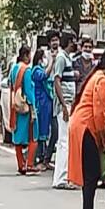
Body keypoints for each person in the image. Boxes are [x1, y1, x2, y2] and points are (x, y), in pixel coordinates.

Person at [67, 47, 105, 209]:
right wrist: (102, 139)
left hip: (83, 126)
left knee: (91, 174)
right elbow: (99, 114)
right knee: (91, 175)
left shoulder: (97, 77)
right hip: (86, 128)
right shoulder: (102, 80)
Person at [52, 32, 78, 189]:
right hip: (65, 104)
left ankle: (63, 176)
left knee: (65, 140)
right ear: (69, 42)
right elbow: (57, 80)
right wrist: (63, 104)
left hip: (69, 103)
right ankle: (61, 177)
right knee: (64, 141)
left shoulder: (68, 58)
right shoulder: (61, 58)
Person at [9, 46, 39, 175]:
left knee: (17, 136)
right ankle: (30, 164)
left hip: (15, 105)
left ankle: (21, 164)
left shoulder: (14, 68)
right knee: (33, 135)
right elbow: (29, 90)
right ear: (26, 55)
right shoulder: (26, 70)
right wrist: (32, 108)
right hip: (26, 107)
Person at [31, 48, 55, 169]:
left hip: (46, 102)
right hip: (41, 102)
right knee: (41, 130)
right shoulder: (36, 70)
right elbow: (45, 76)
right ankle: (39, 157)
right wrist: (51, 62)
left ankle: (44, 157)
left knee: (46, 130)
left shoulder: (40, 69)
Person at [45, 31, 61, 169]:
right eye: (53, 40)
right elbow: (45, 74)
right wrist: (52, 61)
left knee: (56, 129)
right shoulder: (45, 56)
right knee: (46, 128)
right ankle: (44, 156)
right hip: (46, 95)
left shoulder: (63, 55)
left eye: (57, 40)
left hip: (58, 96)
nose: (55, 43)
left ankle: (48, 156)